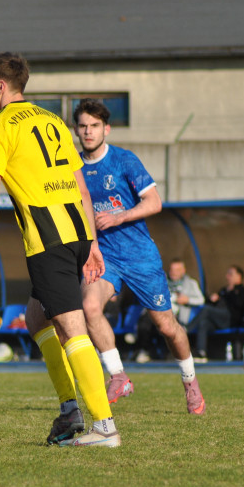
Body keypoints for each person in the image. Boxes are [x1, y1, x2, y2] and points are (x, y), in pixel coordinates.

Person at [0, 51, 119, 447]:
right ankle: (70, 412)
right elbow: (83, 189)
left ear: (1, 88)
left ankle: (105, 427)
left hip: (47, 240)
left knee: (72, 328)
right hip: (75, 233)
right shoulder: (52, 120)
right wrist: (92, 244)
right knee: (37, 318)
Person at [72, 99, 205, 415]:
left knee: (167, 327)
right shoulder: (73, 167)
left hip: (139, 256)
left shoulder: (124, 161)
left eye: (94, 126)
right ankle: (118, 376)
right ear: (75, 130)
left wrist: (119, 217)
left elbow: (155, 202)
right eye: (82, 126)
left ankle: (190, 382)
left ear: (106, 129)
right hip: (103, 257)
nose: (88, 132)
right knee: (90, 307)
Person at [133, 258, 205, 362]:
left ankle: (180, 355)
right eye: (172, 270)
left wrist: (187, 299)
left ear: (183, 270)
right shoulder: (162, 281)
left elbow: (201, 300)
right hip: (159, 312)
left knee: (169, 326)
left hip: (178, 315)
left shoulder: (190, 283)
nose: (173, 273)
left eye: (177, 270)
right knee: (145, 320)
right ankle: (144, 350)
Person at [189, 264, 244, 360]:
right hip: (218, 320)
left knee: (206, 309)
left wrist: (229, 293)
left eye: (230, 274)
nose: (227, 277)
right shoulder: (223, 290)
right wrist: (212, 299)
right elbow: (211, 303)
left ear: (239, 276)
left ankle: (187, 330)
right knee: (204, 323)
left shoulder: (243, 290)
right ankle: (201, 352)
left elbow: (239, 304)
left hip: (230, 319)